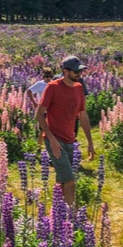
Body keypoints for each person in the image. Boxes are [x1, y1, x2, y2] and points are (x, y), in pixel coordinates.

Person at [36, 55, 95, 208]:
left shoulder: (79, 88)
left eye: (80, 71)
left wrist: (90, 142)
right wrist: (51, 139)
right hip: (55, 140)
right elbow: (39, 114)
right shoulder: (53, 87)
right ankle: (71, 215)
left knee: (62, 179)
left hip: (70, 140)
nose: (79, 74)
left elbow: (83, 115)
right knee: (70, 180)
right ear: (65, 71)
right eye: (76, 72)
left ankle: (58, 213)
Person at [26, 67, 54, 148]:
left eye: (50, 76)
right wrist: (34, 103)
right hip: (43, 109)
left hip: (52, 109)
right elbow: (29, 91)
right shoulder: (40, 84)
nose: (48, 78)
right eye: (46, 76)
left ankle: (53, 146)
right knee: (42, 129)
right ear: (43, 76)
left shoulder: (54, 84)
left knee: (54, 128)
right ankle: (39, 147)